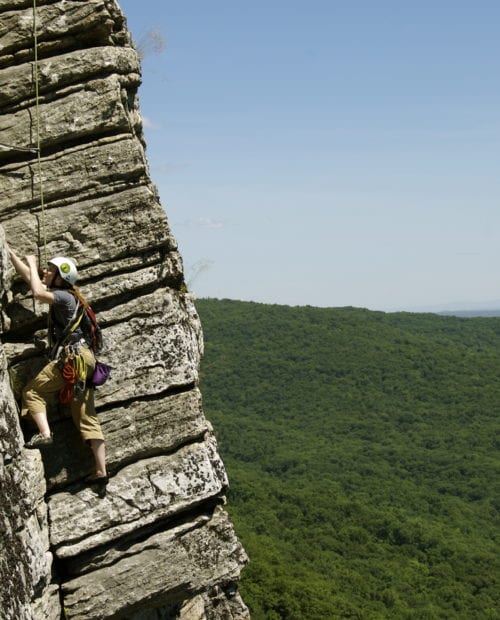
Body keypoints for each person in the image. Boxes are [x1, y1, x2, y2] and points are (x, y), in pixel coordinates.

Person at [8, 247, 108, 484]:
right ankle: (102, 470)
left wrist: (32, 263)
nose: (45, 271)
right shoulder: (69, 296)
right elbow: (31, 280)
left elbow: (37, 292)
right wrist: (12, 254)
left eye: (50, 270)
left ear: (60, 278)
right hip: (86, 360)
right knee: (85, 415)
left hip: (73, 357)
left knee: (33, 392)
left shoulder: (64, 297)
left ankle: (44, 434)